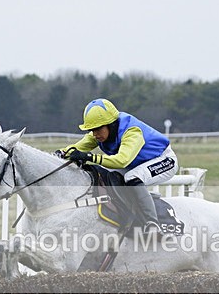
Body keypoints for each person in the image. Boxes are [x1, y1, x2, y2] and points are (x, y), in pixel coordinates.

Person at [60, 98, 179, 232]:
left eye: (98, 129)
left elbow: (122, 161)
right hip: (137, 162)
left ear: (111, 124)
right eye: (92, 130)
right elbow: (76, 148)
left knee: (133, 177)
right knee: (108, 174)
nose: (95, 134)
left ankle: (152, 222)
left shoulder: (132, 131)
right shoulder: (99, 133)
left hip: (164, 160)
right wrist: (61, 153)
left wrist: (89, 156)